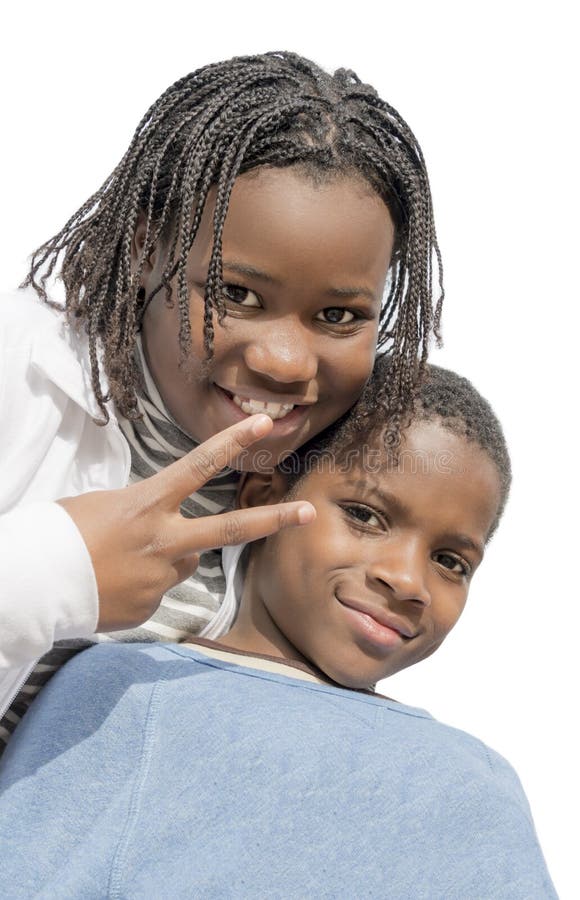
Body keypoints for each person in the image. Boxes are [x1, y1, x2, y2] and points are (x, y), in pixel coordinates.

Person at [0, 51, 443, 749]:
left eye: (337, 317)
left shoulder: (320, 493)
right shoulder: (15, 369)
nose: (285, 361)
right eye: (236, 294)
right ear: (148, 249)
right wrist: (58, 568)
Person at [0, 361, 558, 898]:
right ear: (264, 492)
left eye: (451, 561)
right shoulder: (119, 694)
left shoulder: (474, 788)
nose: (409, 580)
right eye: (365, 515)